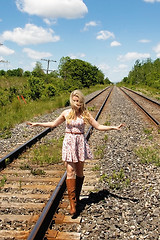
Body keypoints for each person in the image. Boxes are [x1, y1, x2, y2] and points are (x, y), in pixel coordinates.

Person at [27, 90, 124, 215]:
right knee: (70, 171)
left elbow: (98, 126)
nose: (76, 102)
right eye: (74, 100)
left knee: (79, 172)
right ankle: (72, 204)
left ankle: (76, 198)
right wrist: (37, 124)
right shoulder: (66, 113)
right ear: (71, 100)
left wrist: (113, 127)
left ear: (82, 101)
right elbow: (53, 124)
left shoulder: (85, 114)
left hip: (80, 143)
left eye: (78, 100)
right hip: (69, 142)